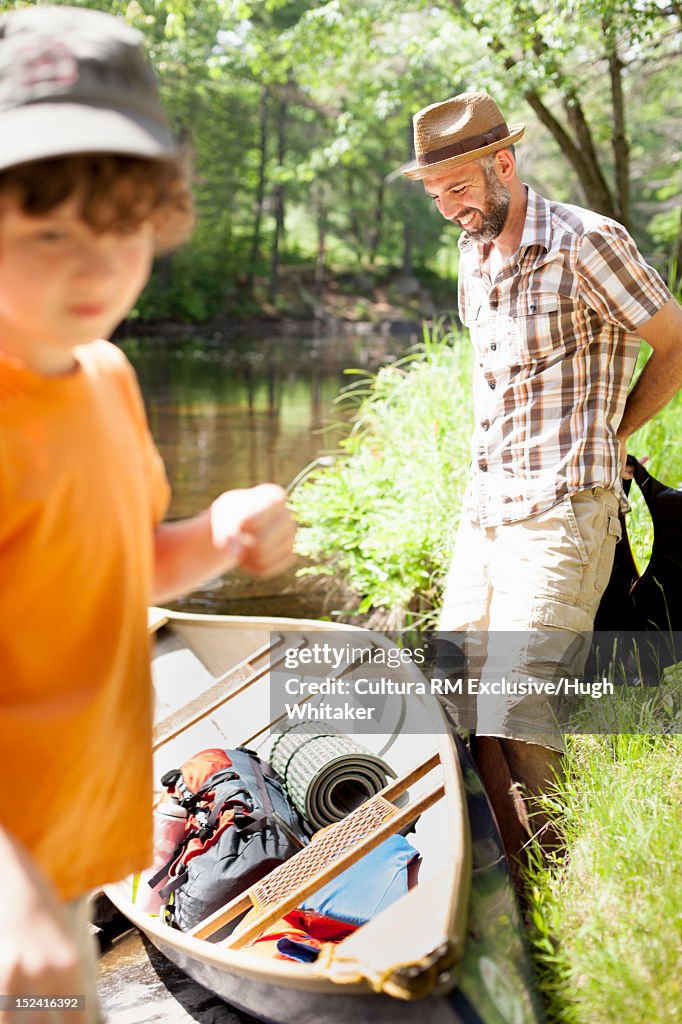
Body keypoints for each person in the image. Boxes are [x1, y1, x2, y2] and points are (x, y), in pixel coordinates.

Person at [0, 8, 295, 1023]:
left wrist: (216, 539)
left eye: (121, 226)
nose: (95, 267)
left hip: (70, 829)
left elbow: (121, 568)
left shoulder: (106, 378)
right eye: (47, 233)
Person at [402, 91, 682, 817]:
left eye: (458, 188)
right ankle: (511, 878)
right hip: (486, 512)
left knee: (519, 706)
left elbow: (675, 341)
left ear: (504, 162)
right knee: (461, 704)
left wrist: (617, 433)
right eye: (435, 194)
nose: (449, 207)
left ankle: (558, 874)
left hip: (564, 507)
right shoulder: (472, 252)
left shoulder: (586, 241)